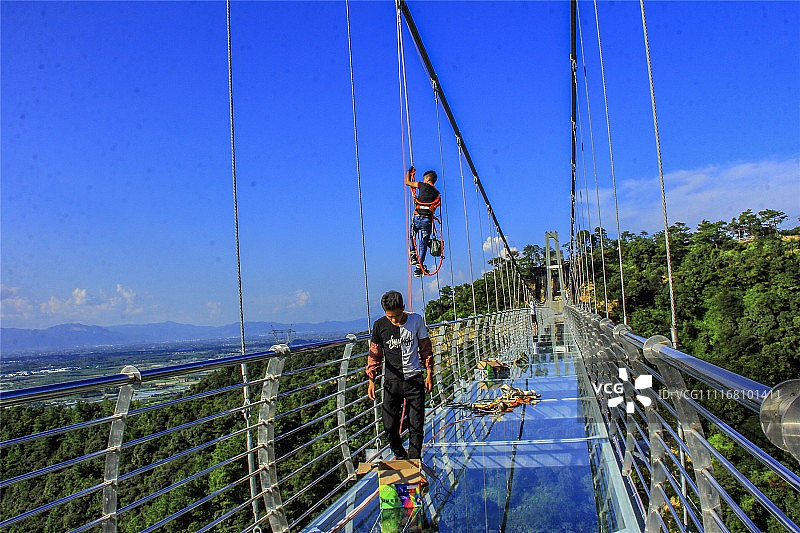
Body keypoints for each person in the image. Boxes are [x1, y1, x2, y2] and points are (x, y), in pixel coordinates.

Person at [367, 290, 434, 459]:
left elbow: (425, 348)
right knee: (389, 425)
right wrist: (371, 380)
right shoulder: (379, 325)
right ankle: (401, 455)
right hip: (392, 381)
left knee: (416, 423)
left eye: (397, 315)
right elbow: (375, 354)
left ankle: (414, 460)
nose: (395, 320)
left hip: (414, 379)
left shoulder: (416, 320)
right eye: (390, 317)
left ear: (403, 308)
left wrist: (429, 373)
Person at [405, 166, 440, 277]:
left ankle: (413, 256)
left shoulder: (422, 185)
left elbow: (407, 182)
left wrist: (408, 173)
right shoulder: (437, 193)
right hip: (427, 220)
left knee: (411, 235)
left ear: (426, 178)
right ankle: (419, 265)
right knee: (423, 244)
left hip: (417, 217)